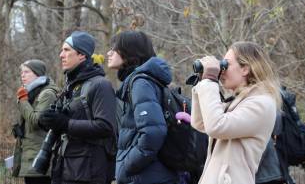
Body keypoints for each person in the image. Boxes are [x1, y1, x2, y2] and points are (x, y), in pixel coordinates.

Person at [191, 41, 281, 184]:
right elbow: (201, 123)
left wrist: (210, 81)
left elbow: (216, 126)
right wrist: (202, 83)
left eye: (226, 64)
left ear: (245, 69)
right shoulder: (239, 101)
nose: (222, 70)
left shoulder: (261, 104)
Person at [38, 31, 117, 184]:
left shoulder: (100, 85)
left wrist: (65, 123)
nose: (61, 55)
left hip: (89, 173)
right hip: (65, 169)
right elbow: (62, 125)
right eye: (61, 50)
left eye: (67, 50)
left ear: (81, 54)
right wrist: (47, 120)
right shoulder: (70, 86)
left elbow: (105, 126)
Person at [107, 30, 177, 184]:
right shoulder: (144, 81)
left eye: (114, 48)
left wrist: (128, 165)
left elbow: (153, 132)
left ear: (129, 51)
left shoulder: (140, 83)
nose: (108, 53)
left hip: (146, 177)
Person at [14, 59, 59, 184]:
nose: (22, 75)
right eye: (22, 72)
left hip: (40, 158)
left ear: (38, 74)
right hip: (30, 155)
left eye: (27, 72)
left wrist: (22, 101)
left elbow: (36, 121)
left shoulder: (47, 94)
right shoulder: (31, 92)